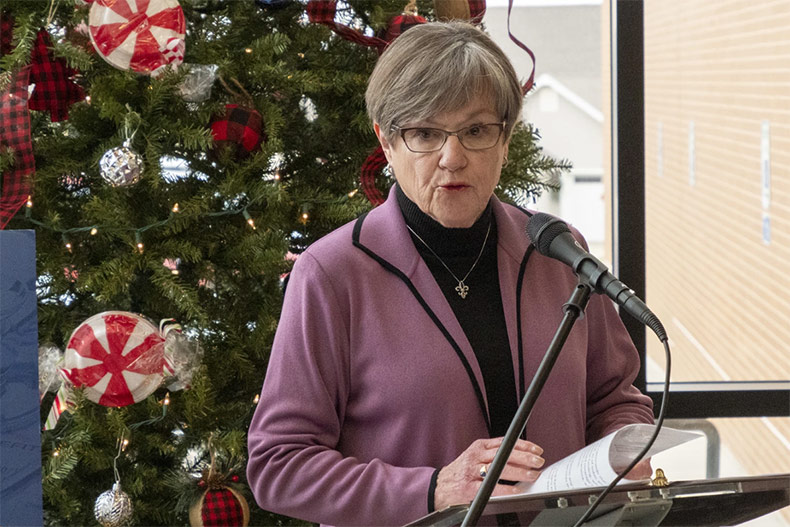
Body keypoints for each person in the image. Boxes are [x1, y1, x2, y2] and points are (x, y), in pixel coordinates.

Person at [246, 20, 654, 527]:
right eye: (424, 133)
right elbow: (277, 466)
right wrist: (433, 488)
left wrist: (626, 450)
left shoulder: (557, 251)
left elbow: (615, 400)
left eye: (477, 130)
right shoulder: (331, 274)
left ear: (505, 140)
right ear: (386, 142)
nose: (453, 157)